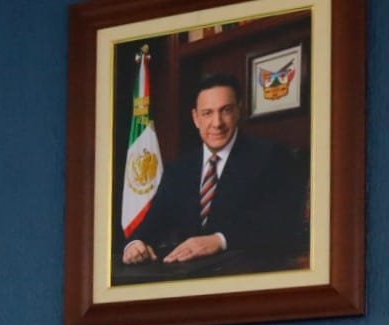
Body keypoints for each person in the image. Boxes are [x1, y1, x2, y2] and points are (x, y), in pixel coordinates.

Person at [123, 72, 305, 267]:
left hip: (246, 271)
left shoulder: (271, 156)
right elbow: (152, 223)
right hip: (189, 274)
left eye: (225, 110)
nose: (217, 123)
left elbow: (282, 224)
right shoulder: (178, 169)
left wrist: (220, 240)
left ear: (238, 111)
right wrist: (135, 244)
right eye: (207, 113)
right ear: (196, 118)